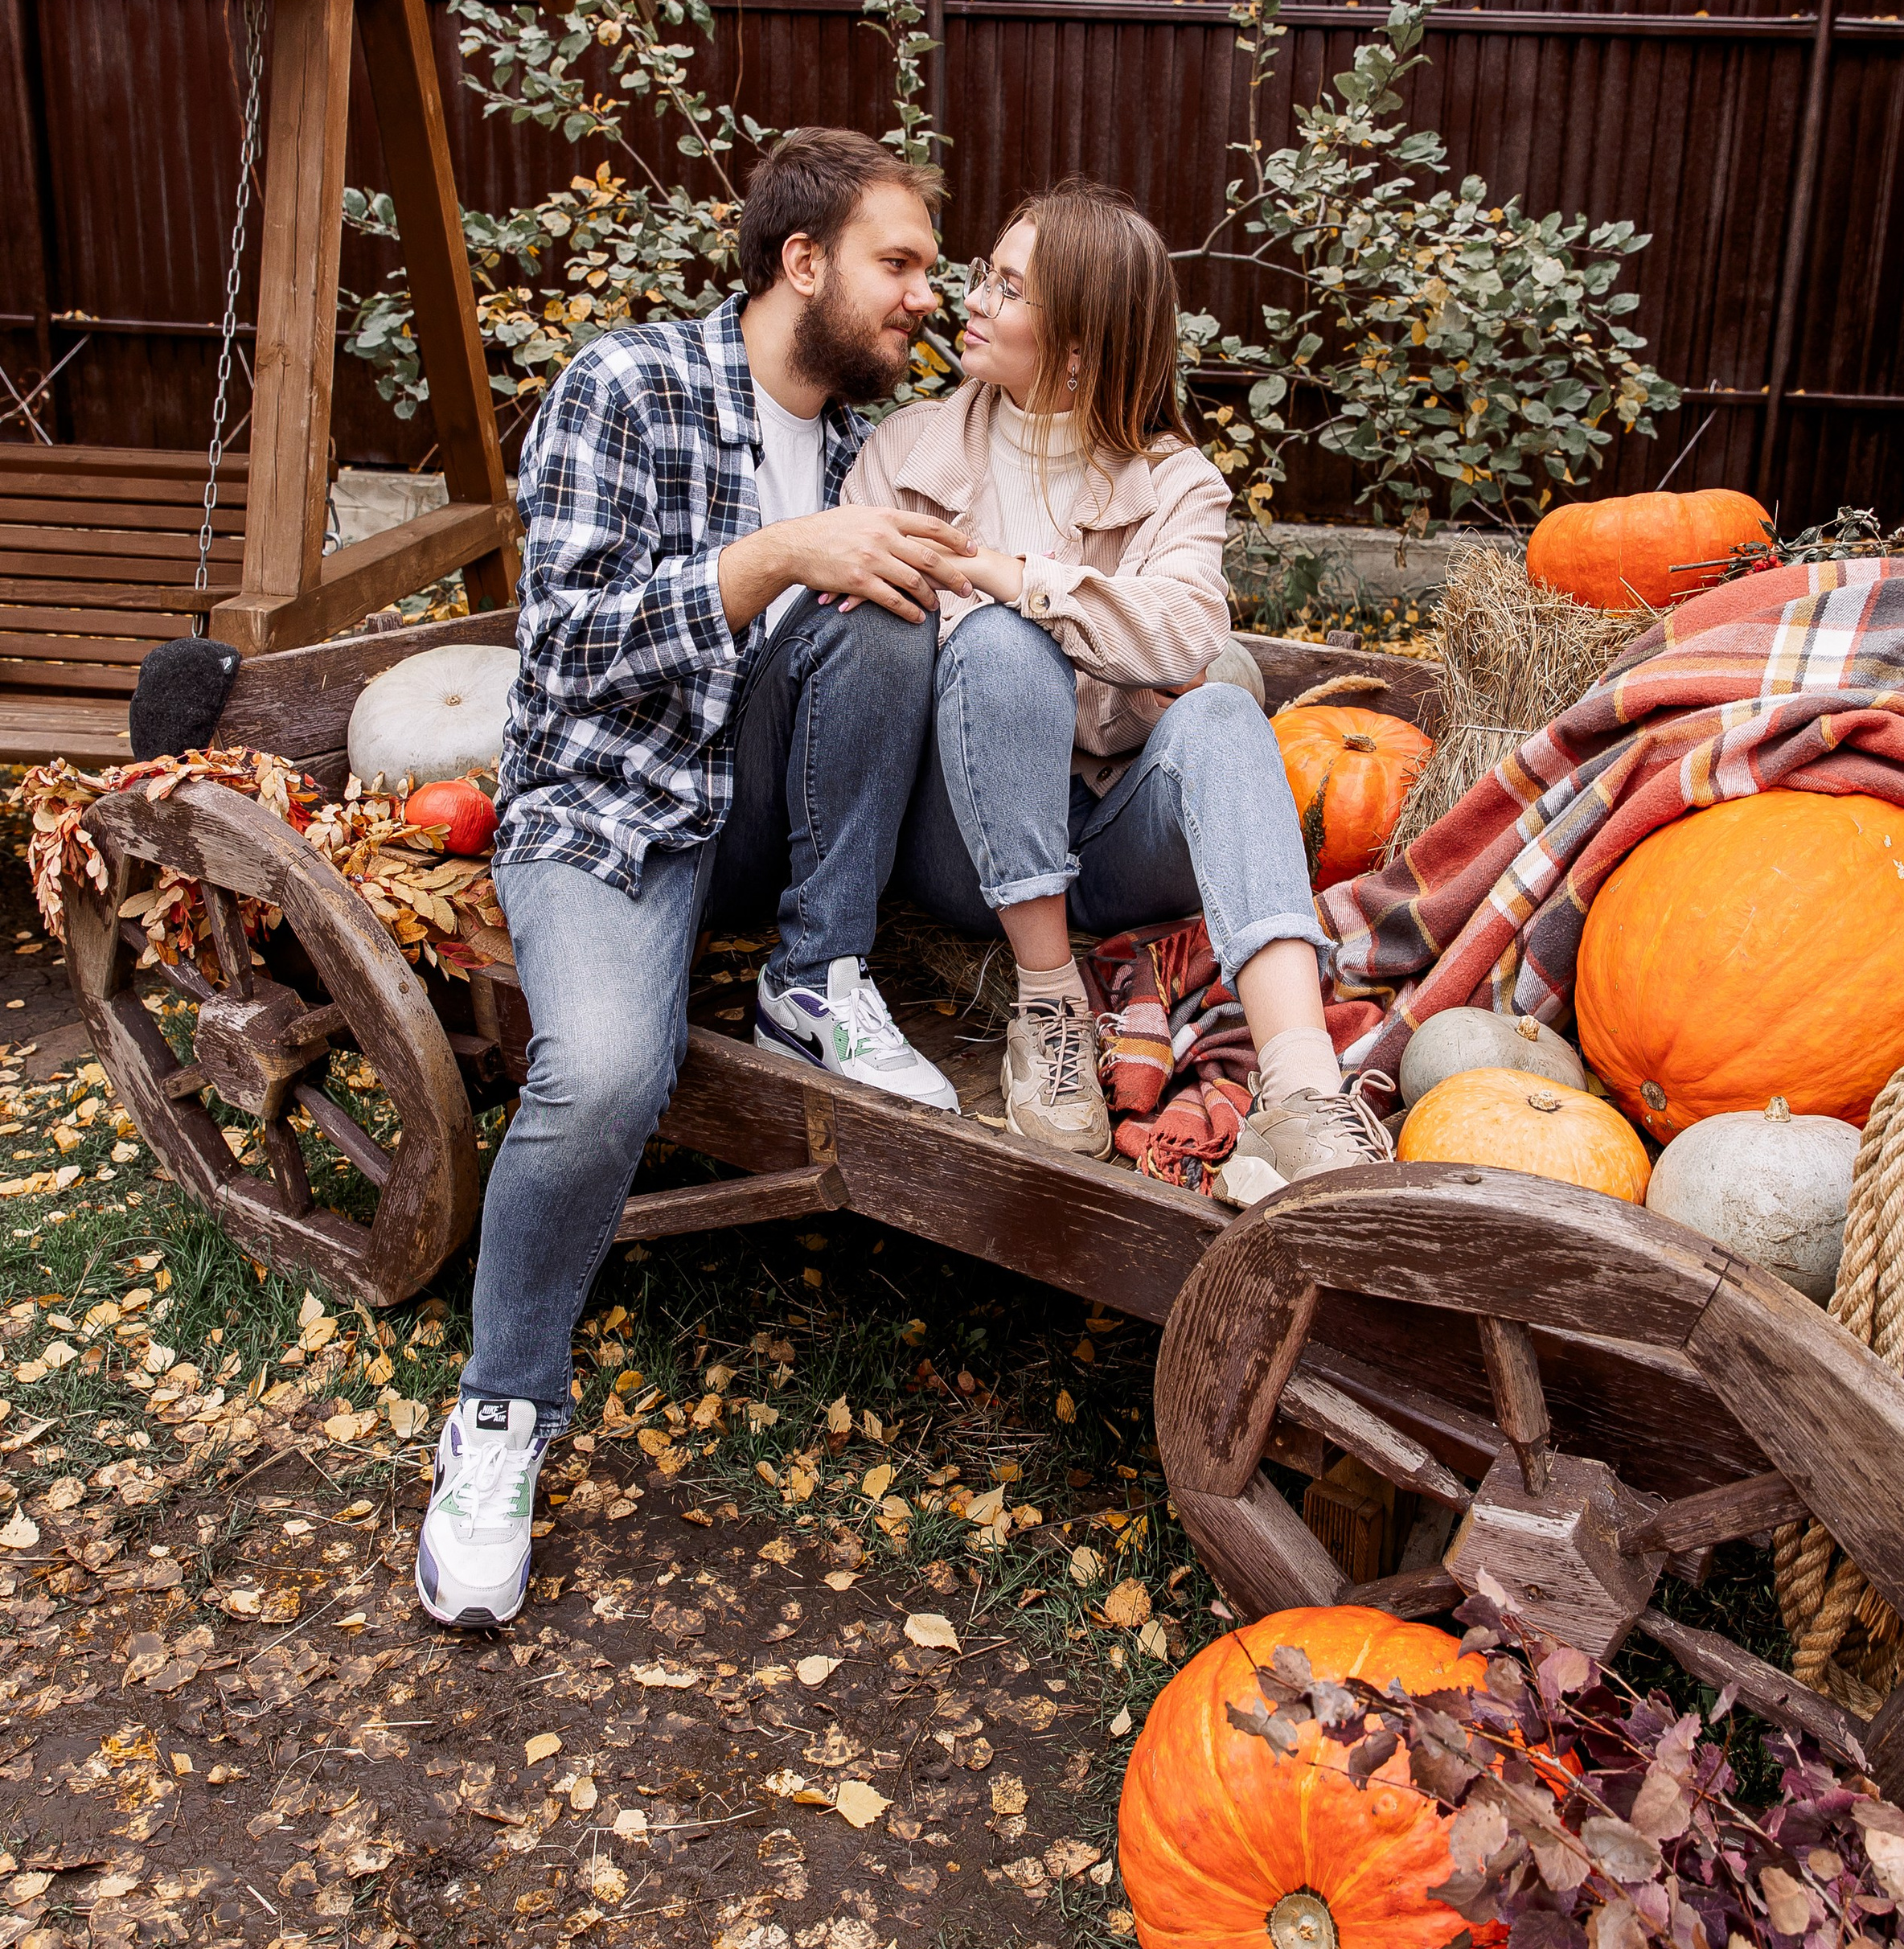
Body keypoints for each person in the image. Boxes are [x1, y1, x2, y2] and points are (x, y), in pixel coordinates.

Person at [417, 128, 979, 1630]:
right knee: (603, 1075)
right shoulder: (630, 385)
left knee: (884, 595)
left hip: (775, 832)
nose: (928, 294)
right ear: (805, 263)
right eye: (900, 264)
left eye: (932, 267)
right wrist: (776, 553)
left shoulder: (884, 443)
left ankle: (817, 976)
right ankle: (499, 1418)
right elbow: (570, 645)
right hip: (614, 805)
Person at [848, 176, 1389, 1197]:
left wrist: (1023, 578)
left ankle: (1303, 1092)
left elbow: (1190, 630)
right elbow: (865, 653)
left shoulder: (1176, 481)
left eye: (1006, 288)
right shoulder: (902, 455)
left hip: (1113, 832)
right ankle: (1049, 1012)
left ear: (1080, 347)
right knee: (1004, 648)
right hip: (964, 846)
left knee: (1226, 711)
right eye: (984, 276)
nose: (971, 300)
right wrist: (1016, 617)